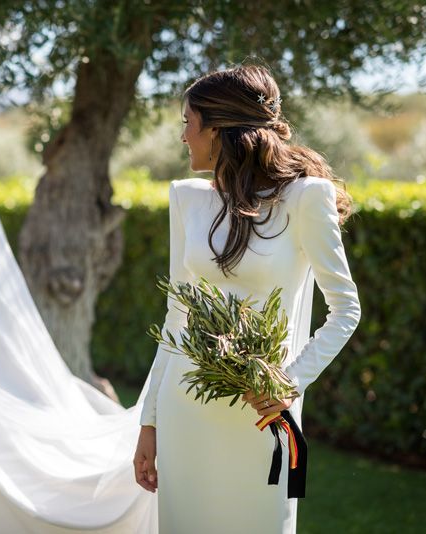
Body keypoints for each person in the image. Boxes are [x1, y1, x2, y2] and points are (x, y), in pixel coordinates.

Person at [133, 65, 361, 533]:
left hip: (263, 414)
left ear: (216, 130)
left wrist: (286, 383)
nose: (183, 138)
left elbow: (345, 309)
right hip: (186, 408)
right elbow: (177, 313)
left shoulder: (304, 198)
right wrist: (149, 421)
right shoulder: (188, 200)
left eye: (187, 123)